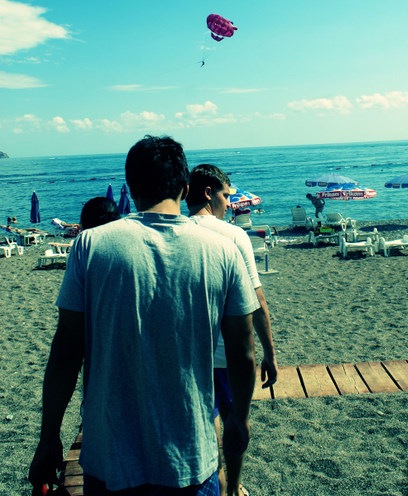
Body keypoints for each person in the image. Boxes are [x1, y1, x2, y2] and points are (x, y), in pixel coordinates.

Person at [28, 135, 258, 496]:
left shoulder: (90, 245)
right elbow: (243, 350)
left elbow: (66, 352)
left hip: (110, 459)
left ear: (132, 188)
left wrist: (49, 437)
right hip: (190, 456)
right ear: (185, 188)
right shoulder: (223, 250)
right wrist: (239, 419)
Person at [186, 164, 277, 496]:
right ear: (209, 193)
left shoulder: (176, 232)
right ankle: (233, 487)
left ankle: (218, 481)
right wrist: (269, 353)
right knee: (236, 422)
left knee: (205, 430)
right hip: (228, 355)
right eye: (226, 196)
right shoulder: (233, 235)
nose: (229, 203)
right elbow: (256, 301)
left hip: (190, 357)